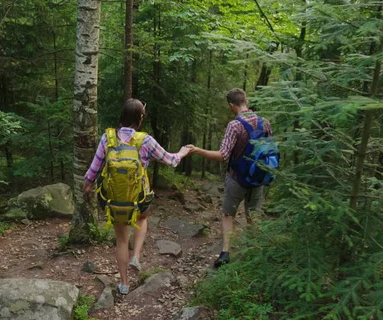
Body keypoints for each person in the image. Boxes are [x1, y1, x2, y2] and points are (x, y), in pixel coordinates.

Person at [83, 98, 190, 294]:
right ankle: (136, 256)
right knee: (143, 217)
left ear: (122, 115)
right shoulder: (145, 140)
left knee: (121, 240)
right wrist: (182, 152)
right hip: (139, 198)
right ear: (140, 118)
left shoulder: (108, 138)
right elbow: (170, 160)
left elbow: (95, 166)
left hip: (115, 199)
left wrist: (88, 183)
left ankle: (124, 284)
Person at [187, 88, 273, 268]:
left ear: (232, 105)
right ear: (246, 101)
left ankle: (225, 253)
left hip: (237, 178)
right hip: (258, 177)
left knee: (228, 214)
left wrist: (198, 151)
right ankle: (254, 253)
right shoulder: (265, 123)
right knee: (254, 216)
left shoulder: (234, 125)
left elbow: (223, 155)